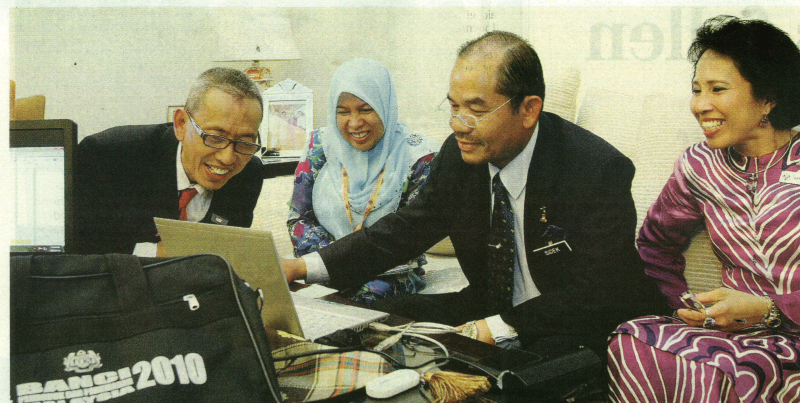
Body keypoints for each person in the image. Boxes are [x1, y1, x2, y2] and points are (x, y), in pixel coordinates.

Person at [283, 31, 664, 357]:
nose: (458, 125)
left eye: (476, 110)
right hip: (491, 304)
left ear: (528, 109)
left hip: (578, 322)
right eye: (453, 107)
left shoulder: (595, 169)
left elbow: (597, 292)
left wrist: (494, 329)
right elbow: (406, 229)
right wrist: (303, 267)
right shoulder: (460, 156)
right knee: (373, 321)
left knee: (523, 374)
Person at [607, 16, 800, 403]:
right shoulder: (700, 166)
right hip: (730, 336)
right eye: (696, 89)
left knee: (717, 370)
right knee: (631, 341)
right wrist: (686, 307)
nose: (699, 105)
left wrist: (768, 309)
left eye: (717, 89)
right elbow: (654, 246)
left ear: (768, 98)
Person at [288, 58, 440, 305]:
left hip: (388, 272)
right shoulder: (320, 146)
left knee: (360, 301)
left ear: (384, 106)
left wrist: (344, 265)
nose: (354, 122)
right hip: (321, 267)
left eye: (366, 109)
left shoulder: (419, 157)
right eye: (343, 111)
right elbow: (298, 218)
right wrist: (332, 262)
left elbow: (408, 236)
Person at [75, 67, 264, 255]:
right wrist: (158, 253)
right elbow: (78, 251)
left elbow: (226, 252)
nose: (227, 158)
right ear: (181, 124)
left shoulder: (248, 174)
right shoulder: (108, 156)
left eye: (245, 143)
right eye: (215, 138)